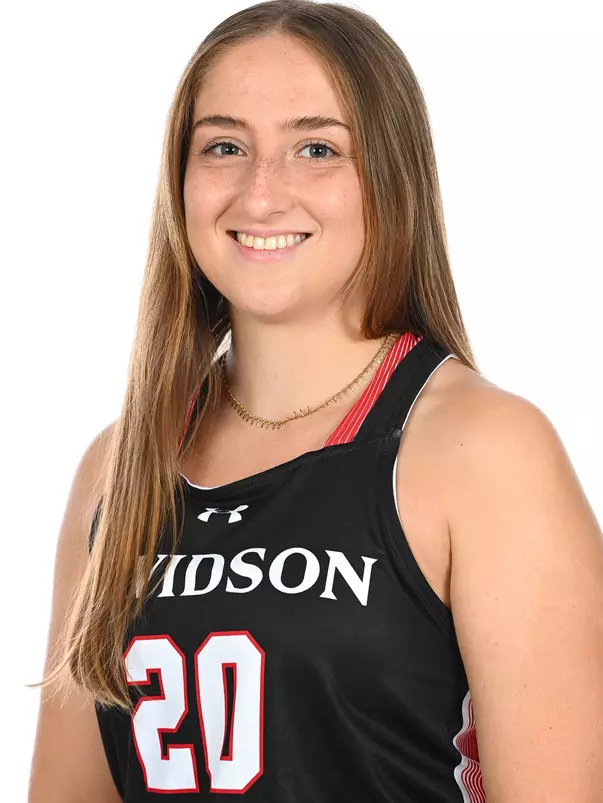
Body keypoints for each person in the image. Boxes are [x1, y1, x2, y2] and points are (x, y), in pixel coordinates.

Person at [28, 1, 603, 801]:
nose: (261, 195)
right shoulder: (119, 465)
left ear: (390, 177)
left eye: (316, 149)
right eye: (224, 146)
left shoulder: (483, 450)